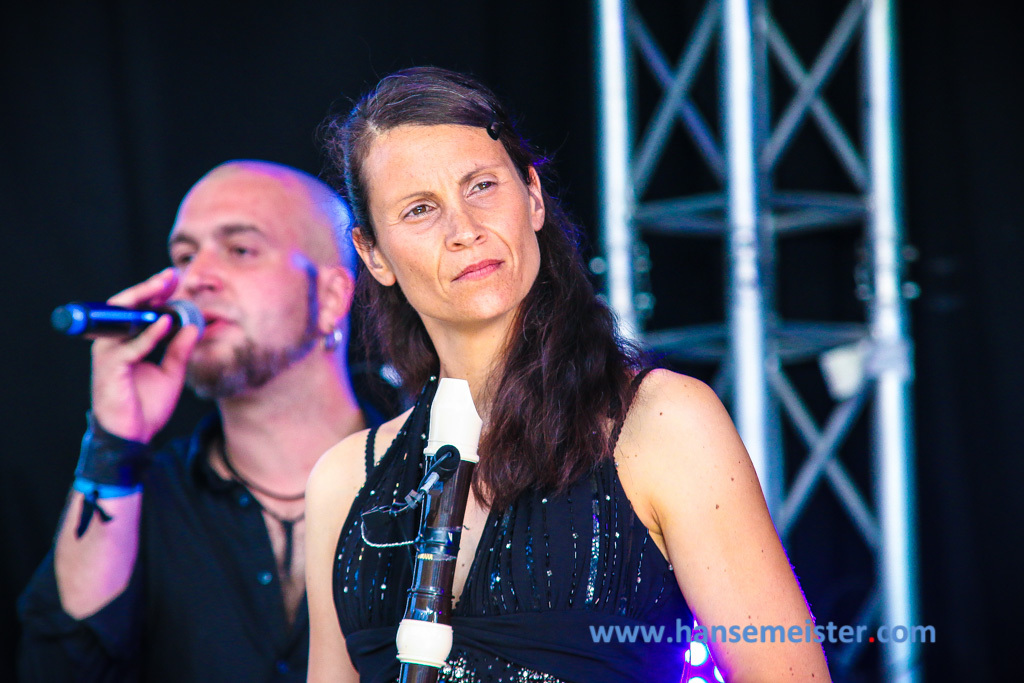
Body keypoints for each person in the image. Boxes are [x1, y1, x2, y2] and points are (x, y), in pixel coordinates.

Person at [306, 67, 832, 682]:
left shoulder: (663, 425)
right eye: (420, 209)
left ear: (532, 196)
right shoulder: (344, 482)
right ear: (373, 254)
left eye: (481, 186)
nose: (464, 231)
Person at [17, 160, 388, 682]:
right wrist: (112, 445)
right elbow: (57, 669)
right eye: (184, 256)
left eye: (240, 250)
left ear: (330, 298)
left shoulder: (426, 480)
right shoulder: (141, 498)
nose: (195, 279)